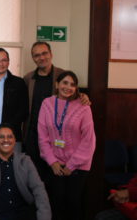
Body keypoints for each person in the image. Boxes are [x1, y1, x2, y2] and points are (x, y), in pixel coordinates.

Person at [23, 41, 90, 181]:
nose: (41, 57)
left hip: (56, 138)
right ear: (33, 58)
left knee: (53, 179)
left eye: (44, 53)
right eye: (36, 55)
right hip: (32, 135)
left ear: (51, 54)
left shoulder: (62, 75)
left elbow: (75, 94)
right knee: (33, 177)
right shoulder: (28, 78)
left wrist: (84, 96)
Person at [38, 71, 96, 220]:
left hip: (78, 165)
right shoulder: (47, 103)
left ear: (76, 88)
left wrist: (71, 165)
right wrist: (52, 162)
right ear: (57, 84)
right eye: (65, 83)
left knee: (72, 202)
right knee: (56, 202)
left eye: (72, 84)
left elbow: (88, 141)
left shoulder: (83, 107)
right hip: (55, 163)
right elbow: (43, 136)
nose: (68, 87)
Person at [0, 124, 51, 220]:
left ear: (14, 140)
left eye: (10, 137)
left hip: (24, 215)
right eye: (1, 137)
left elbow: (38, 189)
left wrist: (44, 217)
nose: (6, 140)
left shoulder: (25, 161)